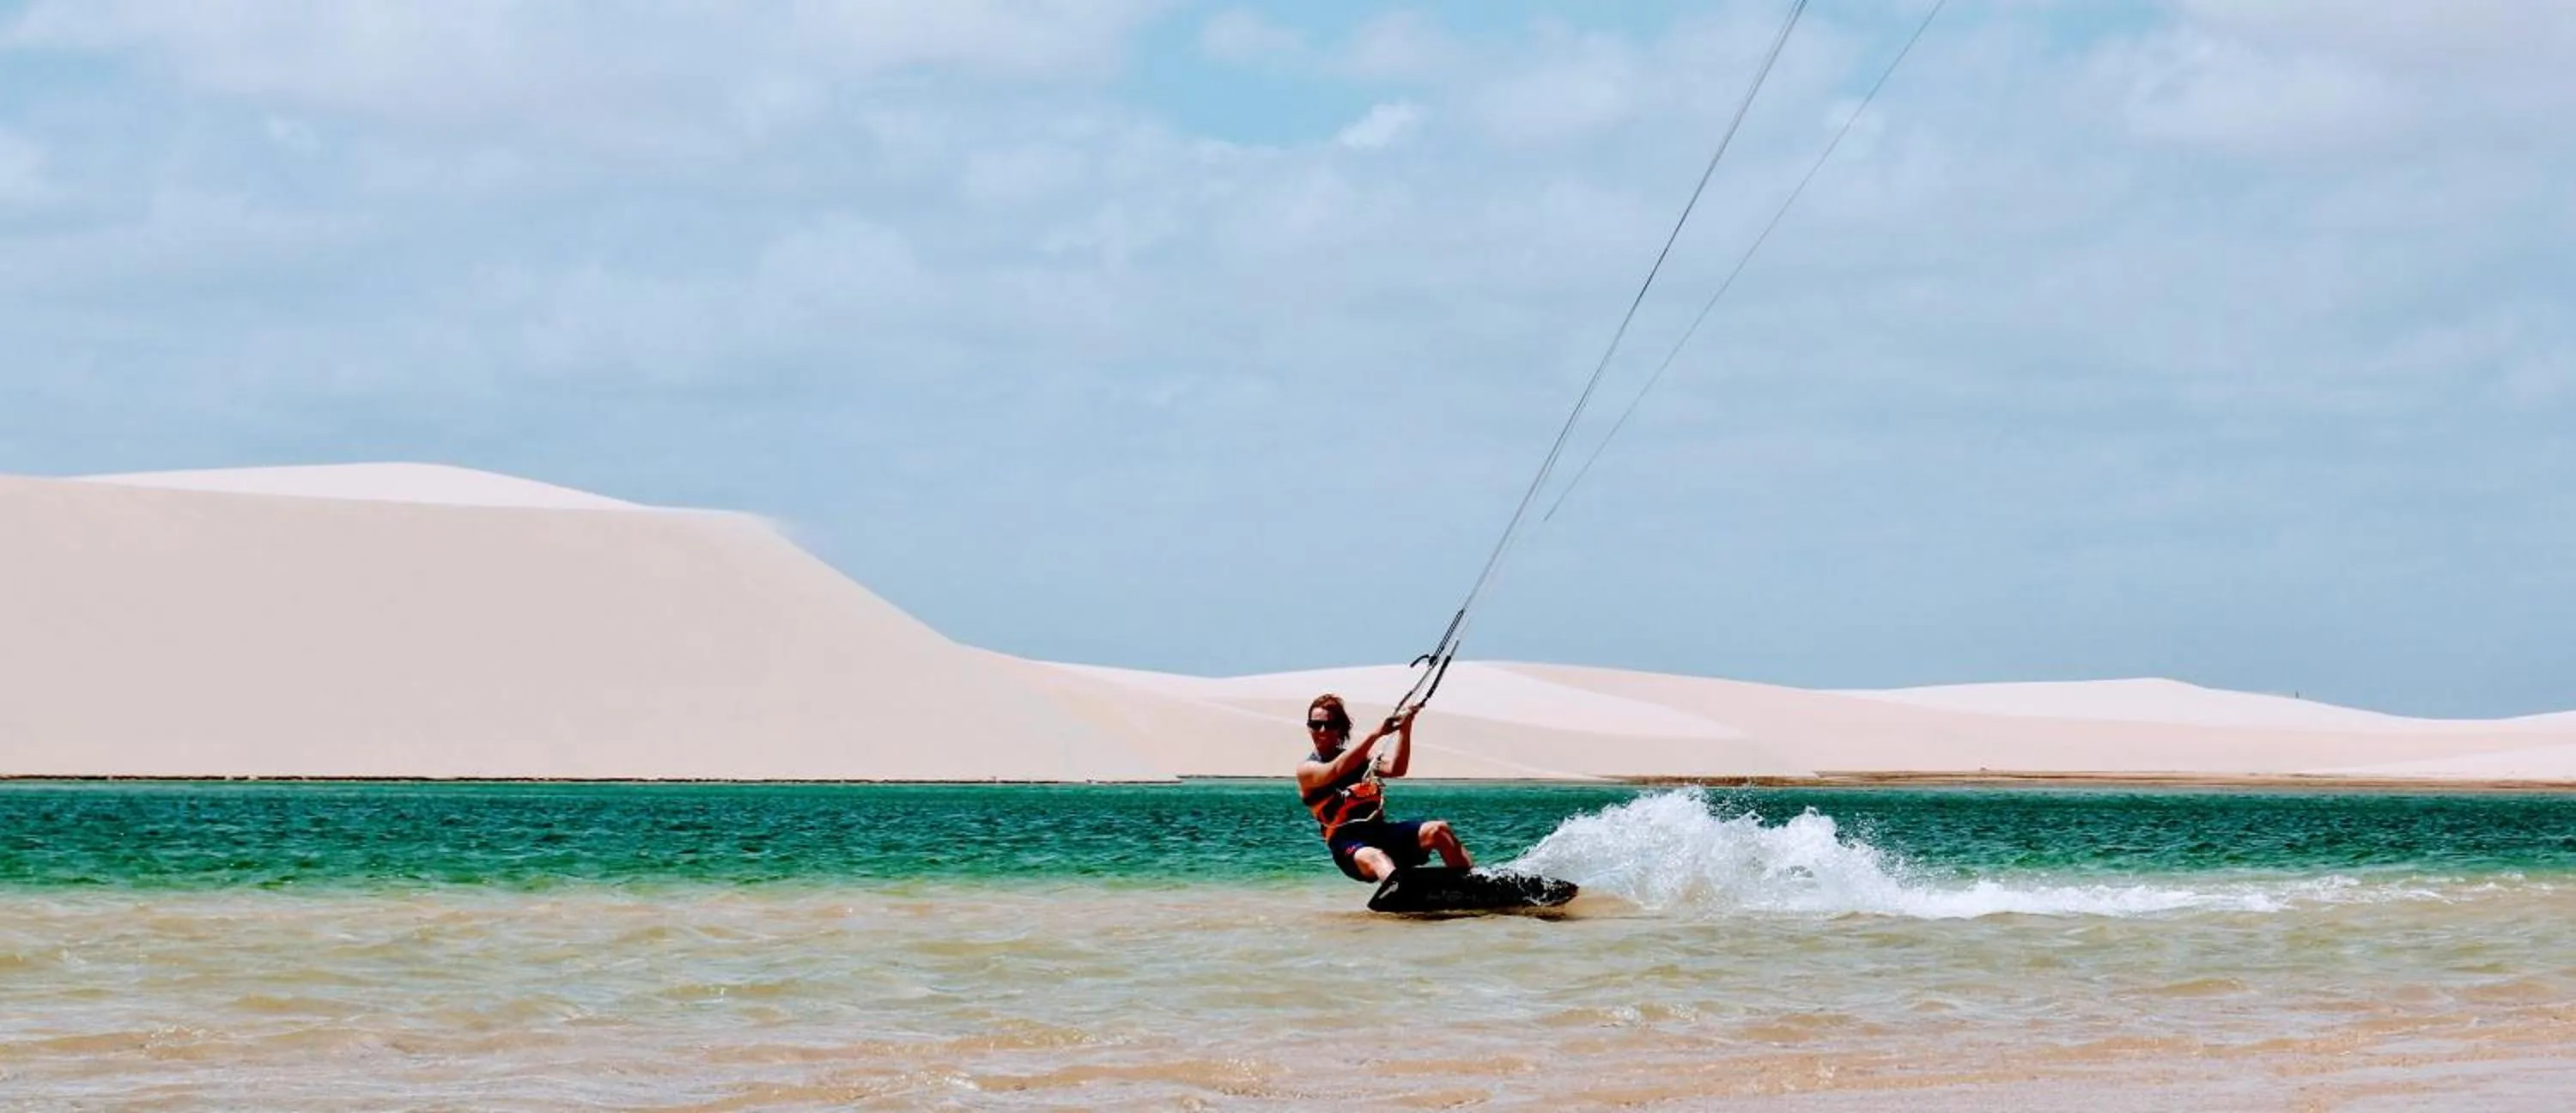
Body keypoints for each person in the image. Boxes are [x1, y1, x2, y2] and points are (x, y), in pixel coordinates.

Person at [1296, 693, 1471, 883]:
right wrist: (1376, 734)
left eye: (1329, 725)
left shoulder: (1362, 760)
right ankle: (1402, 899)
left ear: (1340, 728)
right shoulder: (1307, 770)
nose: (1322, 730)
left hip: (1380, 833)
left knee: (1439, 830)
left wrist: (1405, 727)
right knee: (1377, 857)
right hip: (1349, 845)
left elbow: (1397, 768)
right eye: (1315, 725)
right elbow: (1335, 769)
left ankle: (1472, 886)